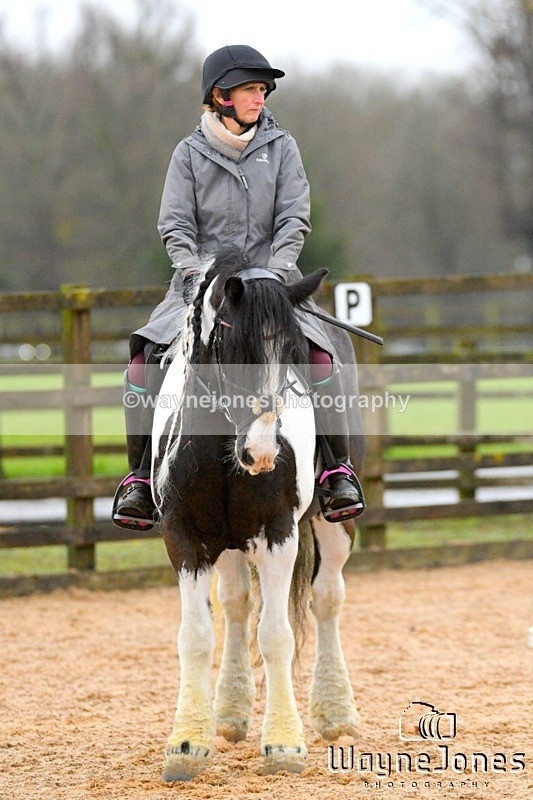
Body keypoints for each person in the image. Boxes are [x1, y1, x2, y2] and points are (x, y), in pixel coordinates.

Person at [112, 44, 364, 530]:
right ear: (220, 96)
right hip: (201, 287)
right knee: (141, 367)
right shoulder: (187, 154)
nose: (261, 97)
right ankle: (141, 478)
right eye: (251, 88)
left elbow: (295, 216)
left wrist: (276, 269)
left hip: (274, 282)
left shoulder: (282, 146)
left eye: (264, 90)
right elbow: (175, 226)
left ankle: (335, 470)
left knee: (320, 357)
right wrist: (193, 275)